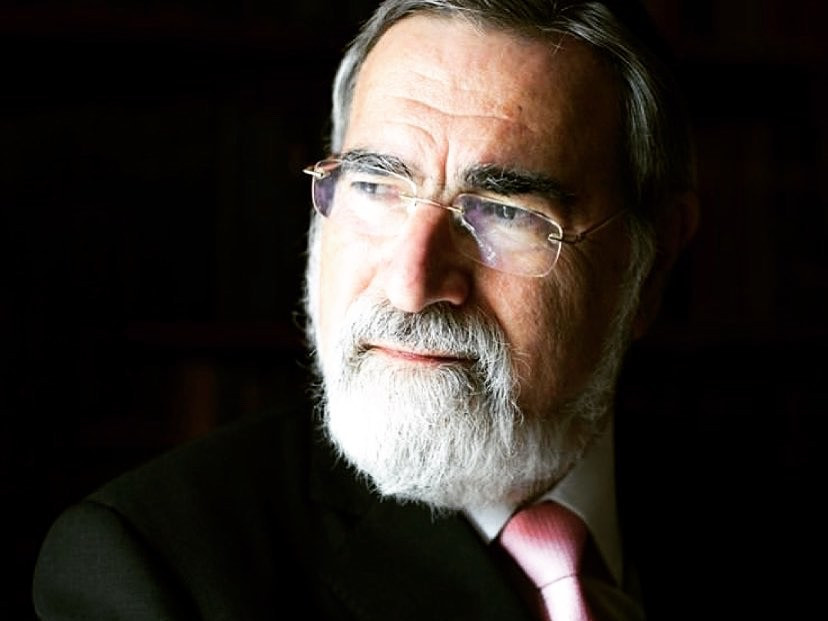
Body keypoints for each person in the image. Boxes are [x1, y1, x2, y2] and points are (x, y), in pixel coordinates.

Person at [32, 1, 703, 619]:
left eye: (504, 212)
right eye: (376, 186)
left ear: (651, 267)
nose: (410, 284)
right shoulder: (153, 571)